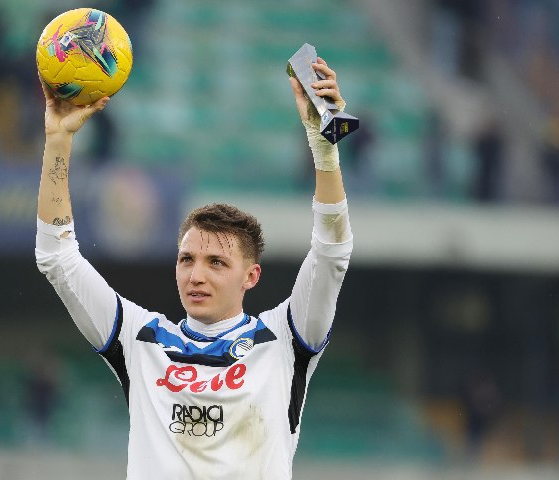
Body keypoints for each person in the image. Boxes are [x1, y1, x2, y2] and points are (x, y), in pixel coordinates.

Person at [35, 57, 353, 479]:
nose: (196, 275)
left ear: (250, 277)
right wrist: (58, 141)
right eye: (187, 259)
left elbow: (331, 252)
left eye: (216, 262)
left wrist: (324, 148)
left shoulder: (284, 341)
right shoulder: (141, 339)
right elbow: (57, 257)